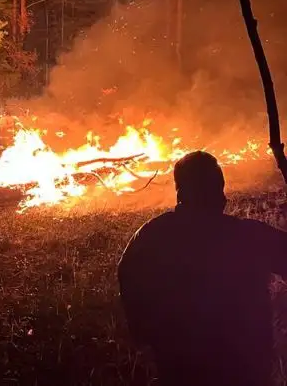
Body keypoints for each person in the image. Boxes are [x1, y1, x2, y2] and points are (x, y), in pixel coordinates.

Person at [118, 151, 287, 386]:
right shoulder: (247, 235)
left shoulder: (152, 236)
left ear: (180, 193)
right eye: (216, 187)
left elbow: (128, 278)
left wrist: (145, 334)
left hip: (179, 364)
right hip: (244, 366)